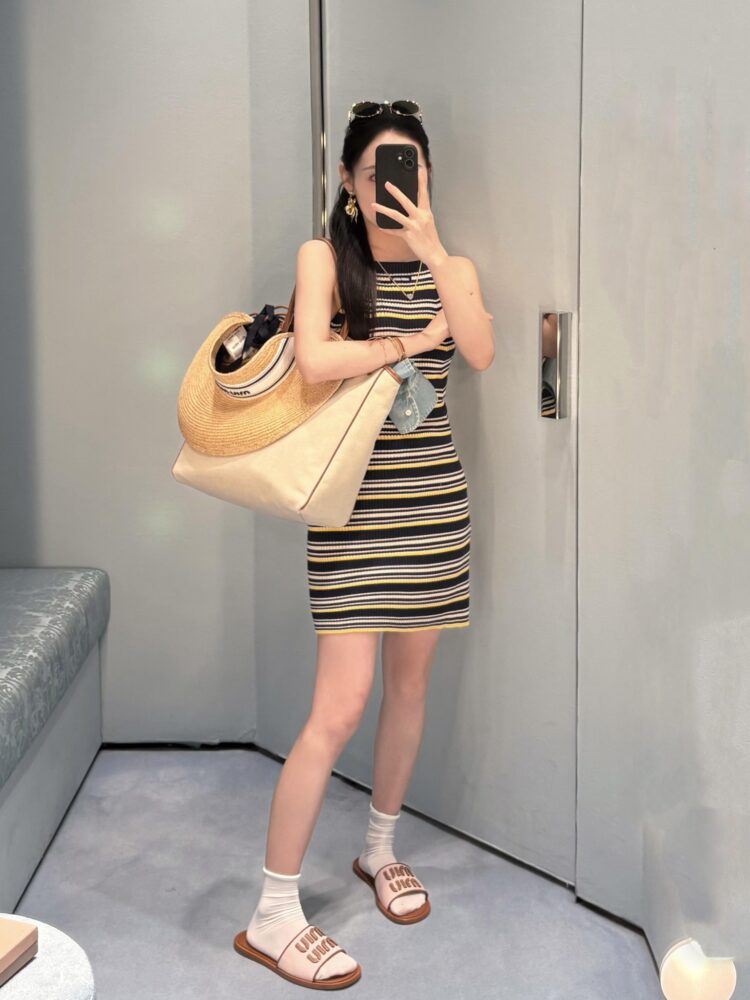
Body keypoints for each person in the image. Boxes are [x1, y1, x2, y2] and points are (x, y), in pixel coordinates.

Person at [235, 100, 494, 989]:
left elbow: (483, 352)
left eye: (410, 170)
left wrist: (434, 256)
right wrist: (409, 340)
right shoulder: (324, 260)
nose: (394, 186)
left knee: (409, 690)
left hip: (433, 510)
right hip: (352, 518)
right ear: (348, 182)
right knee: (338, 709)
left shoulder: (452, 266)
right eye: (378, 171)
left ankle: (378, 850)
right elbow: (313, 360)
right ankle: (272, 914)